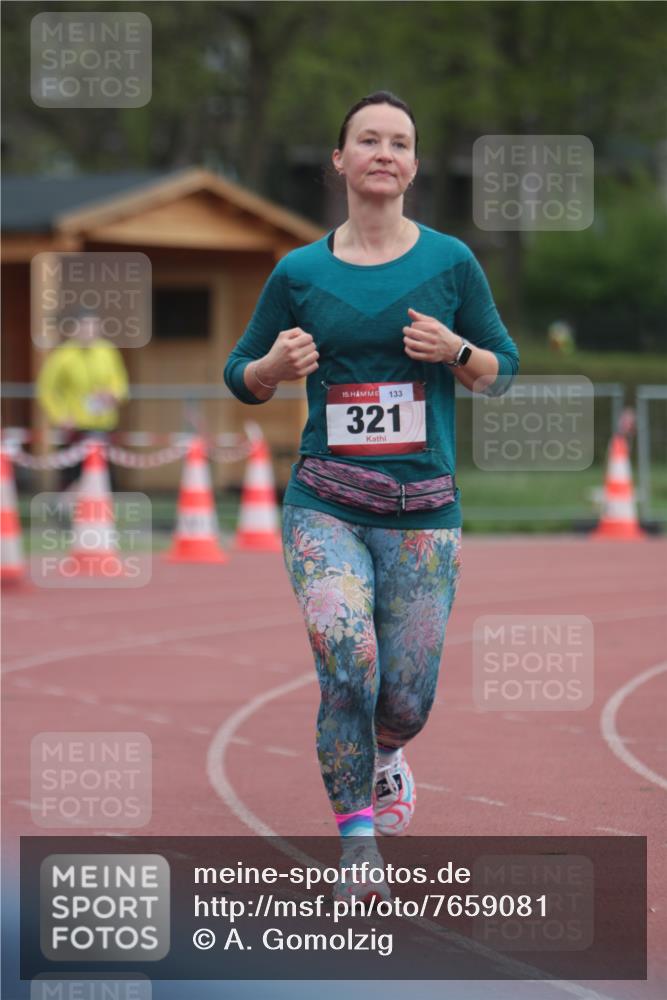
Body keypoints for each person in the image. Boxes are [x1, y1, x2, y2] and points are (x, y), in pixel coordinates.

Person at [224, 91, 519, 903]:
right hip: (326, 503)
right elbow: (240, 376)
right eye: (367, 140)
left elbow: (502, 368)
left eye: (398, 142)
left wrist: (457, 349)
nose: (383, 152)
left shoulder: (451, 262)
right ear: (341, 160)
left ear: (413, 165)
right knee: (346, 664)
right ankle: (357, 846)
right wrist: (270, 372)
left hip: (424, 512)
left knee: (405, 698)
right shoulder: (299, 272)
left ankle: (388, 755)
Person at [36, 310, 129, 491]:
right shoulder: (62, 355)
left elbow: (121, 383)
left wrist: (113, 394)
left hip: (103, 424)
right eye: (85, 327)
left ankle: (101, 514)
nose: (90, 331)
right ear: (74, 330)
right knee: (72, 477)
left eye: (94, 326)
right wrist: (60, 416)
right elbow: (46, 390)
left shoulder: (107, 351)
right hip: (74, 426)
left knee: (104, 477)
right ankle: (68, 514)